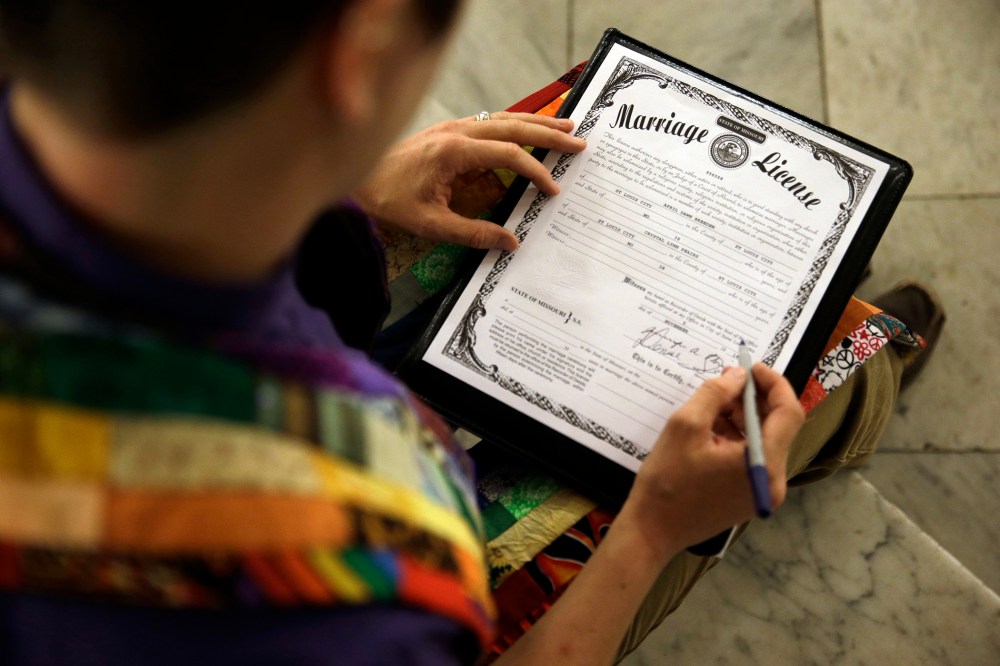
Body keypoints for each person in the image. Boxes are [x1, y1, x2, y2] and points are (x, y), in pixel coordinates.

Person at [0, 1, 941, 664]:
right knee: (832, 357)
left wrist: (349, 191)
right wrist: (658, 527)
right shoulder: (357, 581)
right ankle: (863, 384)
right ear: (356, 53)